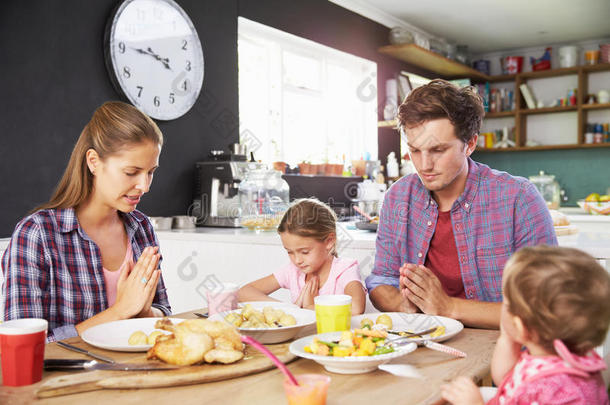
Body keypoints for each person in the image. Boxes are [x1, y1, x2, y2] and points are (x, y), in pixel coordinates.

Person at [366, 79, 557, 328]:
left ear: (470, 144)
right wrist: (404, 305)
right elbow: (381, 281)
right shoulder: (398, 197)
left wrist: (448, 307)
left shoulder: (518, 198)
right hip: (425, 343)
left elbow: (543, 308)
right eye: (414, 150)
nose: (424, 165)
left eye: (438, 150)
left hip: (504, 347)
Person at [1, 101, 171, 342]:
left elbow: (163, 314)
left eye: (151, 172)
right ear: (93, 161)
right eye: (131, 172)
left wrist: (144, 311)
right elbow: (24, 345)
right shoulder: (36, 234)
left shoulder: (141, 228)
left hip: (137, 374)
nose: (144, 186)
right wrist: (120, 312)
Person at [441, 245, 610, 405]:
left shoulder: (557, 390)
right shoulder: (565, 360)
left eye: (506, 304)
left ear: (521, 326)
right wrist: (508, 337)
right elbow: (506, 380)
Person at [238, 198, 366, 314]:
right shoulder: (292, 271)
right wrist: (290, 309)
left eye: (305, 252)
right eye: (290, 252)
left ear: (329, 241)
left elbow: (356, 308)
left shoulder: (344, 271)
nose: (297, 260)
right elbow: (244, 292)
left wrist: (309, 307)